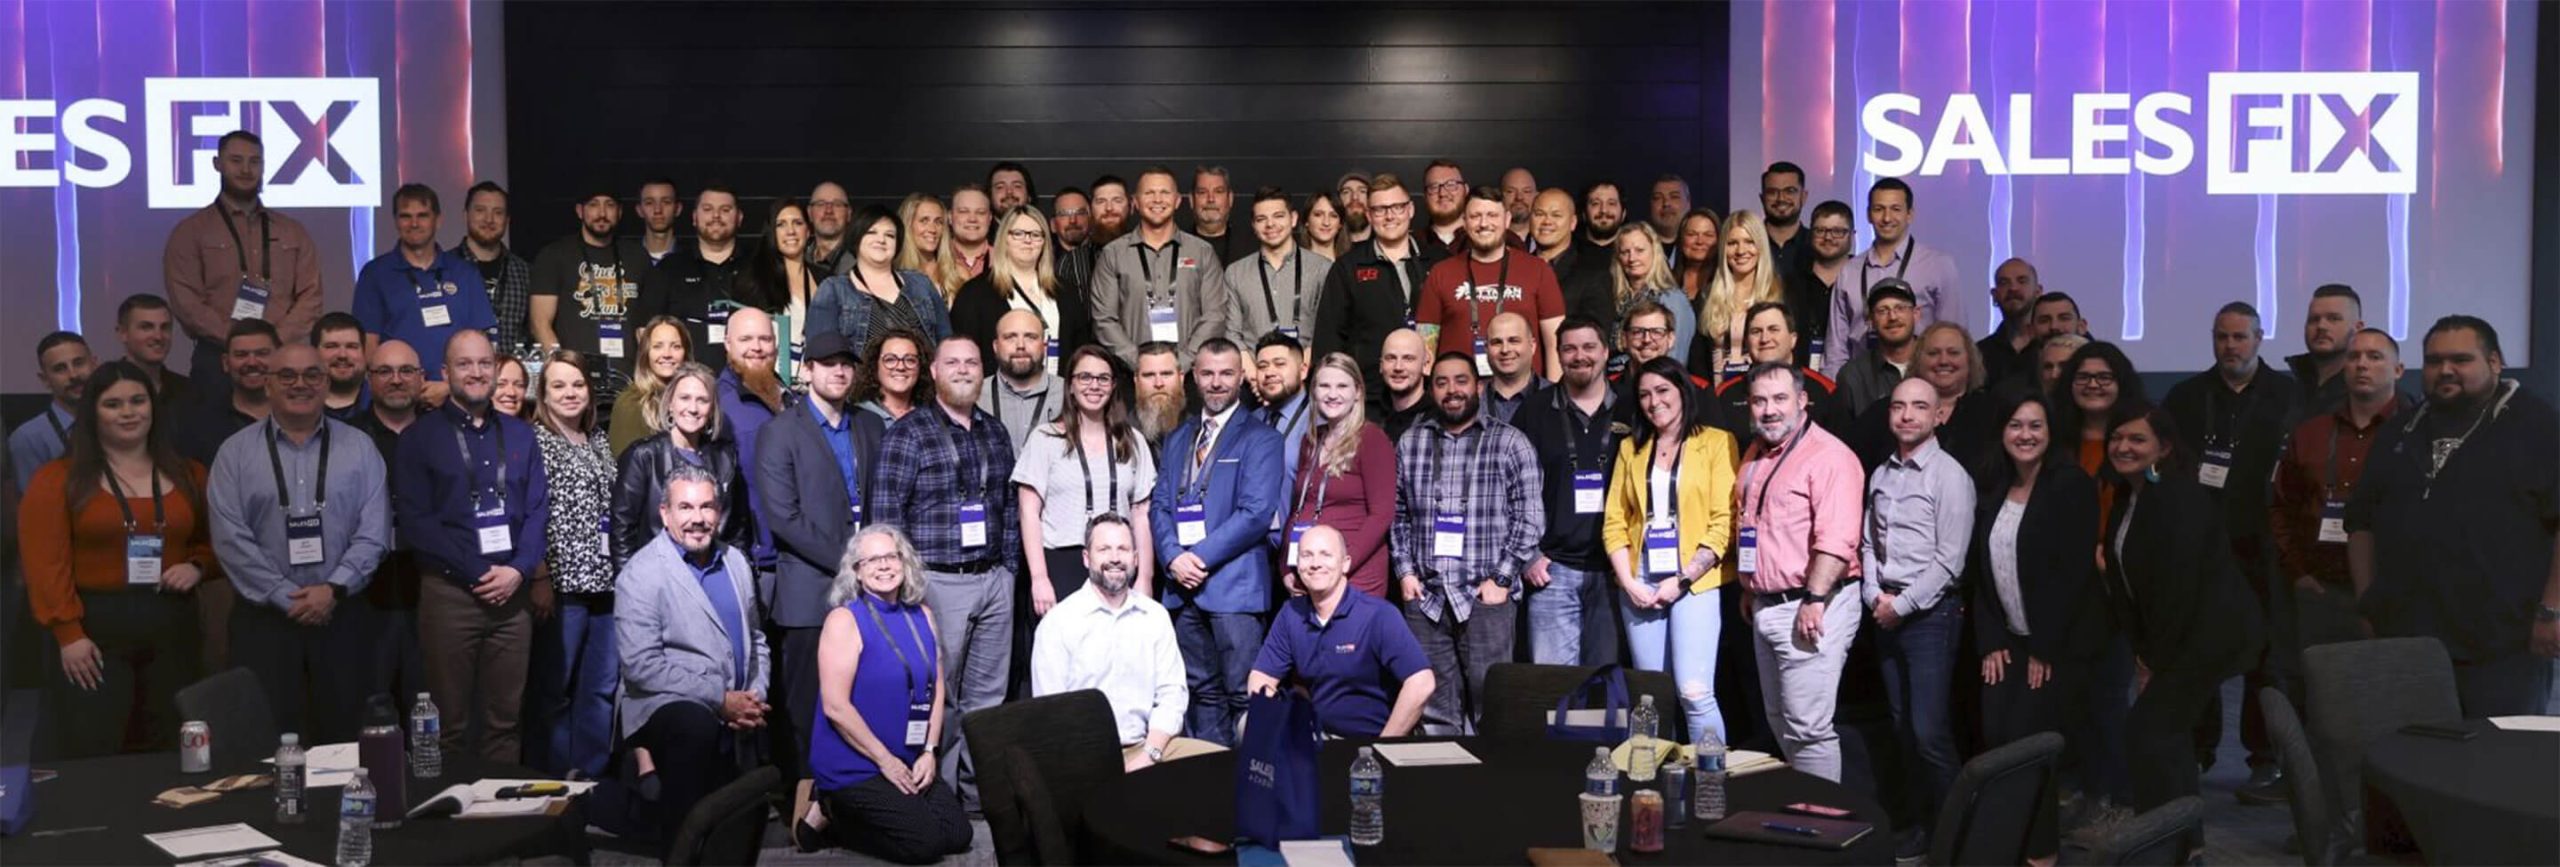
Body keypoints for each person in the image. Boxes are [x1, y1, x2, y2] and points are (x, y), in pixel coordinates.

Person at [2350, 316, 2558, 717]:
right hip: (2409, 641)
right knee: (2412, 748)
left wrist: (2552, 610)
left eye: (2461, 359)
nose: (2445, 370)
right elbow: (2361, 522)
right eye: (2434, 361)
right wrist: (2367, 601)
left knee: (2497, 751)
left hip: (2502, 646)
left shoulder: (2536, 425)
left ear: (2495, 362)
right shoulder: (2400, 430)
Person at [21, 363, 213, 757]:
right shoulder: (58, 479)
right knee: (95, 744)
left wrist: (197, 566)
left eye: (138, 401)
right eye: (113, 404)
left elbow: (216, 543)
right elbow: (45, 564)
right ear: (92, 412)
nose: (128, 412)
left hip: (172, 624)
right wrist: (68, 634)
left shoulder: (189, 474)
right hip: (93, 631)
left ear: (153, 407)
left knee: (168, 745)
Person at [207, 342, 389, 744]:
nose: (300, 384)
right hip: (265, 622)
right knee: (266, 742)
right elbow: (230, 540)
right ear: (268, 385)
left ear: (326, 383)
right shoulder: (234, 454)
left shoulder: (361, 448)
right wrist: (284, 596)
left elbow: (373, 532)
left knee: (344, 742)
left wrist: (333, 589)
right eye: (287, 375)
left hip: (342, 615)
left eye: (312, 375)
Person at [873, 336, 1019, 804]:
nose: (963, 370)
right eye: (952, 362)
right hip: (937, 582)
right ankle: (942, 795)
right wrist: (905, 589)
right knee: (941, 694)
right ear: (934, 371)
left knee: (987, 699)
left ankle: (977, 796)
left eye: (971, 362)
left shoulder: (995, 431)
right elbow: (887, 518)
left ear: (983, 370)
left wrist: (1008, 571)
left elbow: (1009, 506)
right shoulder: (908, 433)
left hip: (993, 580)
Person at [393, 329, 551, 762]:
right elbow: (417, 522)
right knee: (449, 725)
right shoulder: (418, 439)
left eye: (485, 363)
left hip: (512, 597)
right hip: (450, 594)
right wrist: (478, 572)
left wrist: (518, 570)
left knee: (506, 722)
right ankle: (448, 805)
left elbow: (538, 510)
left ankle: (499, 804)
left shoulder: (521, 435)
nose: (477, 372)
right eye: (465, 364)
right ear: (445, 372)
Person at [2161, 301, 2300, 792]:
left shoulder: (2289, 395)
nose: (2230, 346)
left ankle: (2264, 757)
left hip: (2263, 548)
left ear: (2259, 339)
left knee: (2264, 656)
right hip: (2201, 549)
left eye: (2240, 337)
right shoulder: (2186, 396)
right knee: (2200, 652)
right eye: (2222, 336)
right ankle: (2198, 751)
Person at [2101, 403, 2264, 810]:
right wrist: (2143, 654)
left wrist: (2154, 662)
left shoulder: (2179, 498)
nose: (2123, 446)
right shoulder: (2127, 496)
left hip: (2206, 638)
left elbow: (2180, 589)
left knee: (2151, 732)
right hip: (2172, 639)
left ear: (2164, 448)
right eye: (2116, 437)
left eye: (2137, 439)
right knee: (2161, 737)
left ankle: (2170, 833)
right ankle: (2175, 836)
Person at [602, 464, 771, 845]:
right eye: (686, 507)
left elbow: (757, 638)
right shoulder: (641, 574)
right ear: (665, 513)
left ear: (719, 512)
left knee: (734, 817)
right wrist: (720, 700)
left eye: (706, 507)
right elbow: (642, 667)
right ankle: (675, 845)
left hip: (732, 699)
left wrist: (754, 696)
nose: (698, 518)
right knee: (694, 727)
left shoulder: (736, 562)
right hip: (665, 703)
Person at [1967, 392, 2100, 866]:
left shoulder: (2070, 485)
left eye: (2035, 426)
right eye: (2016, 425)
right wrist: (1990, 640)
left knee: (2030, 747)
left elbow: (2073, 576)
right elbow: (1980, 572)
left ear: (2050, 432)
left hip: (2054, 645)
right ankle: (2010, 844)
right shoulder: (1995, 485)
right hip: (2007, 640)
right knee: (1997, 738)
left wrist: (2045, 648)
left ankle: (2041, 854)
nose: (2025, 435)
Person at [793, 524, 973, 861]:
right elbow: (835, 707)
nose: (884, 565)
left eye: (891, 556)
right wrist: (885, 761)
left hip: (908, 757)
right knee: (926, 845)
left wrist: (929, 752)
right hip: (857, 763)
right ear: (857, 571)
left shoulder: (922, 615)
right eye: (872, 560)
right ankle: (831, 807)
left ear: (904, 563)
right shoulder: (845, 620)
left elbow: (936, 689)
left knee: (958, 834)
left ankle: (868, 808)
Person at [759, 330, 890, 787]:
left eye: (846, 364)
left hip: (869, 595)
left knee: (864, 702)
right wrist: (855, 563)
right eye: (828, 363)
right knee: (806, 708)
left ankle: (856, 798)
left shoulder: (870, 426)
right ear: (808, 369)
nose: (839, 371)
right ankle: (804, 802)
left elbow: (881, 502)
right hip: (809, 595)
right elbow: (784, 518)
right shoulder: (779, 432)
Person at [1392, 352, 1542, 733]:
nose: (1452, 390)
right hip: (1427, 599)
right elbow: (1397, 513)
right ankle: (1445, 773)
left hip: (1485, 596)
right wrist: (1405, 572)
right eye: (1441, 383)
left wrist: (1502, 579)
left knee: (1491, 709)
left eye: (1461, 381)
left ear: (1479, 386)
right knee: (1434, 713)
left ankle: (1493, 773)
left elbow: (1530, 518)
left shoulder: (1511, 442)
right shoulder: (1411, 442)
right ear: (1431, 390)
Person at [1860, 377, 1978, 859]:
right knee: (1903, 728)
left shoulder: (1950, 476)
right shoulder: (1881, 473)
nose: (1907, 415)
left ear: (1938, 416)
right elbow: (1869, 543)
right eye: (1899, 406)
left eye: (1919, 407)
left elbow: (1951, 561)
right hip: (1885, 610)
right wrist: (1873, 595)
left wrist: (1900, 606)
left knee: (1930, 733)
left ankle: (1957, 836)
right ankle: (1919, 828)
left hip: (1930, 616)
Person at [1735, 362, 1867, 782]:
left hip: (1812, 604)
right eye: (1759, 401)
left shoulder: (1830, 456)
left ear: (1803, 401)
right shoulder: (1757, 451)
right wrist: (1751, 587)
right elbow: (1755, 523)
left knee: (1808, 729)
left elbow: (1838, 538)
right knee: (1781, 720)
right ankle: (1803, 808)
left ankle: (1822, 816)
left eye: (1780, 399)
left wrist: (1815, 598)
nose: (1769, 410)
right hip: (1768, 604)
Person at [1150, 338, 1282, 744]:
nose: (1217, 382)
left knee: (1245, 695)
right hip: (1182, 590)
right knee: (1200, 694)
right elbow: (1159, 505)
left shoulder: (1262, 438)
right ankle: (1211, 777)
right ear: (1193, 377)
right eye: (1207, 373)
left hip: (1234, 590)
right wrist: (1172, 557)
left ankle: (1253, 778)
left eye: (1226, 373)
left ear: (1241, 377)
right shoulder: (1178, 436)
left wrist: (1197, 558)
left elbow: (1256, 513)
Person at [1602, 356, 1738, 745]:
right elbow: (1614, 521)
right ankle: (1660, 774)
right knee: (1653, 697)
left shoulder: (1716, 442)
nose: (1653, 401)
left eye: (1662, 390)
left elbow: (1723, 522)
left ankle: (1710, 774)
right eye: (1644, 394)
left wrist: (1682, 579)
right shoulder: (1631, 448)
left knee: (1694, 693)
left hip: (1694, 581)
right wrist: (1629, 582)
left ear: (1682, 391)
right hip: (1640, 581)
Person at [1031, 513, 1219, 769]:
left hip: (1148, 747)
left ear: (1136, 558)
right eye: (1104, 549)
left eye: (1123, 549)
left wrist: (1149, 755)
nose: (1115, 558)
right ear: (1086, 558)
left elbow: (1172, 695)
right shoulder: (1058, 623)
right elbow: (1050, 713)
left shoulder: (1155, 616)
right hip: (1083, 756)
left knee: (1219, 764)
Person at [2270, 329, 2410, 653]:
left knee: (2394, 681)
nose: (2362, 364)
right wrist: (2298, 572)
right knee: (2321, 683)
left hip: (2398, 594)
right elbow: (2280, 506)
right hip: (2322, 592)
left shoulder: (2417, 432)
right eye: (2354, 357)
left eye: (2374, 357)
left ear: (2398, 370)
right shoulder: (2310, 433)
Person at [1247, 524, 1435, 738]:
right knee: (1249, 724)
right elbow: (1260, 678)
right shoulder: (1291, 613)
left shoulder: (1378, 615)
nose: (1315, 564)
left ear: (1345, 563)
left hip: (1368, 742)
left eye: (1325, 554)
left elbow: (1422, 683)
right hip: (1316, 737)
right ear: (1297, 563)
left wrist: (1384, 745)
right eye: (1307, 555)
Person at [161, 130, 322, 378]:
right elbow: (187, 303)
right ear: (217, 164)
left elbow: (311, 297)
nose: (246, 170)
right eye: (236, 161)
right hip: (217, 358)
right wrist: (240, 343)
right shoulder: (190, 232)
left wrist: (273, 341)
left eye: (254, 161)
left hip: (282, 355)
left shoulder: (293, 231)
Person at [524, 350, 618, 777]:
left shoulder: (597, 439)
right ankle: (553, 782)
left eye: (578, 384)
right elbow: (530, 514)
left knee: (599, 689)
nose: (570, 393)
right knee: (554, 691)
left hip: (606, 583)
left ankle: (590, 780)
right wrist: (540, 575)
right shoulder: (535, 441)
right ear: (543, 394)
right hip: (562, 585)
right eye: (558, 385)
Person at [1510, 318, 1622, 665]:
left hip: (1616, 573)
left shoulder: (1632, 406)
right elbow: (1509, 488)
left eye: (1589, 347)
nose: (1579, 356)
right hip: (1552, 572)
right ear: (1557, 354)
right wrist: (1528, 554)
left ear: (1606, 352)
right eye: (1569, 349)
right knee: (1554, 686)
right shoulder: (1534, 410)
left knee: (1605, 685)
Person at [1015, 346, 1159, 611]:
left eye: (1103, 378)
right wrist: (1039, 578)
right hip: (1061, 563)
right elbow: (1028, 512)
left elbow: (1141, 514)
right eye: (1085, 377)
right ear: (1070, 385)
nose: (1094, 385)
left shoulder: (1132, 440)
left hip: (1117, 562)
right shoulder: (1045, 439)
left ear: (1113, 386)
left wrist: (1145, 578)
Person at [354, 183, 496, 402]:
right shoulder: (375, 274)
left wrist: (449, 387)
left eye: (422, 215)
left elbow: (482, 343)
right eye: (405, 216)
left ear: (438, 220)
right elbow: (369, 345)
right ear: (395, 221)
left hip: (458, 397)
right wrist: (401, 388)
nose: (414, 223)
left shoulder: (464, 272)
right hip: (397, 397)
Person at [1310, 174, 1447, 395]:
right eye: (1380, 210)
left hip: (1432, 391)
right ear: (1369, 215)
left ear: (1411, 210)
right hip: (1370, 394)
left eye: (1397, 207)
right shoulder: (1348, 267)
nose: (1390, 216)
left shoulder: (1439, 261)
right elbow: (1329, 338)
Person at [1416, 187, 1566, 381]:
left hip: (1526, 394)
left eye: (1492, 215)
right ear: (1464, 222)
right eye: (1475, 216)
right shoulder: (1440, 273)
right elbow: (1425, 347)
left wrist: (1554, 393)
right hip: (1457, 393)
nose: (1484, 223)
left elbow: (1555, 342)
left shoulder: (1538, 270)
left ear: (1507, 220)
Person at [1091, 167, 1232, 366]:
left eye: (1165, 192)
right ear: (1135, 202)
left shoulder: (1202, 252)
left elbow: (1215, 315)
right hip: (1131, 374)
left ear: (1177, 201)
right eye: (1149, 193)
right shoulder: (1112, 254)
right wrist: (1140, 363)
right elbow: (1104, 320)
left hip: (1189, 373)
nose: (1157, 200)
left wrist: (1183, 362)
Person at [614, 362, 752, 564]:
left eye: (702, 400)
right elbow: (621, 532)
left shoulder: (726, 457)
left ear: (712, 408)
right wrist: (631, 580)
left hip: (714, 569)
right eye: (684, 398)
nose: (693, 408)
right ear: (670, 403)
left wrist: (741, 571)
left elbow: (738, 529)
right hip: (659, 573)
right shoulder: (643, 456)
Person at [354, 340, 430, 708]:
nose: (396, 379)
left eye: (406, 371)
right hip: (366, 595)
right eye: (384, 371)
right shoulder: (348, 438)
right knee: (370, 705)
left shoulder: (442, 433)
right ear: (369, 379)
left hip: (432, 589)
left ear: (422, 378)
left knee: (430, 704)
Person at [1285, 353, 1398, 600]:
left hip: (1354, 574)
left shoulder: (1372, 439)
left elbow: (1382, 515)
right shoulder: (1310, 440)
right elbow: (1300, 507)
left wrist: (1344, 563)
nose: (1332, 394)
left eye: (1342, 386)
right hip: (1312, 571)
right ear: (1314, 392)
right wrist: (1287, 565)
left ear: (1358, 392)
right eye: (1324, 386)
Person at [1828, 179, 1964, 375]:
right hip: (1862, 379)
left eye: (1896, 209)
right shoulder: (1849, 270)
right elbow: (1836, 347)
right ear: (1868, 215)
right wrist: (1835, 386)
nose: (1887, 218)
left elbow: (1954, 335)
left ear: (1910, 214)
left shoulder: (1938, 265)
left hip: (1920, 377)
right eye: (1879, 209)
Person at [1848, 321, 1998, 473]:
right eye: (1933, 353)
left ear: (1970, 360)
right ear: (1918, 360)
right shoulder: (1885, 411)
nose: (1943, 361)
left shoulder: (1992, 411)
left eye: (1953, 353)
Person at [812, 204, 955, 362]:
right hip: (860, 378)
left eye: (889, 235)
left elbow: (947, 346)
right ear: (856, 238)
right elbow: (821, 356)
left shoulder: (921, 284)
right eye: (872, 232)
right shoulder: (834, 289)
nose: (881, 240)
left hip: (923, 376)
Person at [630, 184, 751, 369]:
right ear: (694, 217)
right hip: (682, 382)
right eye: (707, 209)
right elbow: (644, 332)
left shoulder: (757, 267)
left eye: (725, 210)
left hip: (747, 380)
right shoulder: (668, 268)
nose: (716, 216)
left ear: (739, 217)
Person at [953, 206, 1083, 377]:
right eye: (1018, 233)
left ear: (1045, 242)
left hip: (1058, 389)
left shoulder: (1065, 291)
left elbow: (1080, 349)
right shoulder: (975, 293)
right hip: (997, 391)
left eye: (1035, 235)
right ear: (1004, 239)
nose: (1027, 240)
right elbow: (965, 354)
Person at [532, 188, 649, 365]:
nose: (602, 213)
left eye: (609, 205)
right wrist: (562, 367)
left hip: (629, 373)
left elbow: (648, 323)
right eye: (593, 205)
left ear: (619, 212)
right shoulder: (554, 255)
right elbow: (539, 323)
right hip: (575, 372)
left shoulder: (637, 256)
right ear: (580, 211)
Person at [717, 308, 791, 570]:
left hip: (794, 553)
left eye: (765, 339)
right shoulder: (718, 404)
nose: (757, 347)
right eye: (746, 339)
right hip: (755, 558)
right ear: (728, 344)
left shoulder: (789, 397)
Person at [1715, 302, 1838, 439]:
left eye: (1773, 330)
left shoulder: (1824, 391)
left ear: (1793, 339)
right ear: (1746, 342)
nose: (1764, 339)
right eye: (1756, 332)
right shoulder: (1725, 395)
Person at [1224, 187, 1329, 345]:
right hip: (1252, 359)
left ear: (1293, 219)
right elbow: (1232, 334)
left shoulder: (1322, 268)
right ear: (1253, 225)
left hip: (1309, 359)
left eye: (1278, 216)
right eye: (1261, 219)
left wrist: (1305, 360)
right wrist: (1252, 362)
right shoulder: (1236, 273)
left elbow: (1327, 329)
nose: (1270, 224)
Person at [174, 319, 278, 468]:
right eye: (241, 355)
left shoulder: (302, 417)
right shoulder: (198, 425)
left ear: (281, 358)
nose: (252, 362)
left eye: (262, 353)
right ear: (225, 363)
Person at [976, 310, 1069, 453]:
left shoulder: (1069, 394)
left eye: (1030, 337)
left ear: (1044, 346)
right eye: (1010, 337)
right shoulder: (976, 396)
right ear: (995, 346)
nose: (1020, 345)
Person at [1703, 211, 1783, 376]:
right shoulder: (1708, 295)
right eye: (1732, 243)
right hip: (1718, 389)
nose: (1741, 250)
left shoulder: (1780, 294)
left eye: (1749, 242)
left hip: (1765, 386)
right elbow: (1699, 359)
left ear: (1761, 246)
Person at [458, 182, 534, 352]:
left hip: (512, 367)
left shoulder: (525, 272)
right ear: (465, 215)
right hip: (462, 367)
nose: (489, 219)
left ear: (507, 220)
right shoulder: (443, 270)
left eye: (498, 212)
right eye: (480, 210)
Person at [12, 332, 93, 490]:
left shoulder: (117, 423)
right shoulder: (28, 438)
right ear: (45, 379)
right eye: (60, 369)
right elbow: (34, 500)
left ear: (95, 364)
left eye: (79, 363)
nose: (73, 375)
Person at [745, 198, 819, 367]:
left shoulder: (826, 279)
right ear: (772, 232)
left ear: (808, 231)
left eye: (797, 223)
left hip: (817, 376)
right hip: (768, 376)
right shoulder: (754, 281)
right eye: (781, 225)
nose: (790, 231)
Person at [1607, 224, 1696, 363]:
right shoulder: (1617, 298)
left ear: (1654, 252)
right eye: (1625, 252)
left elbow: (1675, 359)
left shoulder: (1672, 299)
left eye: (1640, 250)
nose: (1632, 258)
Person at [1784, 200, 1855, 371]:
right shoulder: (1790, 283)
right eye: (1820, 230)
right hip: (1800, 374)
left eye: (1837, 231)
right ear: (1810, 234)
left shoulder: (1863, 278)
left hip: (1853, 376)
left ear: (1852, 235)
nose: (1828, 237)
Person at [608, 316, 695, 456]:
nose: (667, 354)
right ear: (646, 353)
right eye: (657, 346)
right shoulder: (630, 403)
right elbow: (626, 463)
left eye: (676, 346)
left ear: (685, 353)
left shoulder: (696, 400)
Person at [1834, 281, 1920, 417]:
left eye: (1900, 308)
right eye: (1882, 311)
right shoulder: (1853, 376)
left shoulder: (1938, 366)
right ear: (1871, 320)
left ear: (1916, 314)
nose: (1892, 317)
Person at [2283, 284, 2365, 418]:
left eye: (2333, 318)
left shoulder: (2369, 393)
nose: (2321, 326)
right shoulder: (2286, 388)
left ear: (2358, 328)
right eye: (2314, 319)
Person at [1252, 333, 1315, 484]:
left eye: (1280, 364)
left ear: (1303, 371)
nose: (1269, 373)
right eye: (1262, 366)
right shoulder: (1252, 420)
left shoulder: (1319, 420)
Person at [114, 294, 193, 407]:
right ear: (122, 333)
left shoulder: (190, 392)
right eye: (146, 327)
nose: (158, 336)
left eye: (164, 327)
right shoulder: (105, 389)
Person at [1978, 258, 2045, 386]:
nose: (2013, 288)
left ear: (2038, 291)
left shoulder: (2051, 346)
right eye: (2004, 282)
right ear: (1994, 295)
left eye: (2022, 281)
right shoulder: (1980, 353)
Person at [1478, 311, 1547, 423]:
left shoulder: (1557, 397)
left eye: (1514, 341)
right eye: (1497, 342)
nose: (1505, 350)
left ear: (1532, 346)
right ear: (1486, 349)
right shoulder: (1471, 400)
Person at [894, 193, 958, 302]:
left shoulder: (957, 275)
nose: (932, 229)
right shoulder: (892, 275)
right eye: (924, 221)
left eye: (938, 222)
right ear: (908, 224)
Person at [855, 328, 928, 423]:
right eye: (890, 360)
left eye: (910, 360)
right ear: (875, 365)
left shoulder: (932, 415)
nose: (901, 367)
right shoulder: (858, 416)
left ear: (920, 366)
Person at [1374, 328, 1433, 441]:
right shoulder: (1369, 419)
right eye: (1391, 358)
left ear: (1425, 365)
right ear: (1381, 365)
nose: (1398, 367)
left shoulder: (1438, 422)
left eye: (1408, 359)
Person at [1187, 166, 1252, 266]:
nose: (1211, 199)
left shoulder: (1252, 247)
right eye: (1202, 192)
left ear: (1230, 199)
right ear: (1191, 200)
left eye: (1218, 191)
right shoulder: (1175, 246)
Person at [313, 313, 370, 421]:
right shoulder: (295, 407)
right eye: (331, 346)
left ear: (364, 353)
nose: (342, 355)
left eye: (351, 347)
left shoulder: (383, 405)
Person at [940, 185, 996, 289]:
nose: (972, 219)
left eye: (980, 212)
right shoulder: (935, 259)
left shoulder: (1004, 260)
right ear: (950, 217)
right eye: (963, 211)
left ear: (990, 218)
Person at [1132, 341, 1186, 446]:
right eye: (1149, 375)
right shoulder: (1121, 434)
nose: (1158, 383)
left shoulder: (1200, 430)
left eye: (1166, 374)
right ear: (1136, 380)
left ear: (1181, 378)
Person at [1759, 162, 1812, 270]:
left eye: (1790, 191)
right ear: (1762, 198)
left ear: (1803, 197)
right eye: (1772, 192)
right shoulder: (1748, 243)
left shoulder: (1817, 245)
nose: (1781, 198)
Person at [1050, 187, 1099, 300]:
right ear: (1053, 225)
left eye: (1080, 213)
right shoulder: (1041, 262)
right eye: (1064, 214)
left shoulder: (1106, 257)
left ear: (1091, 219)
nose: (1073, 220)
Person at [1670, 207, 1720, 316]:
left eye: (1708, 235)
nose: (1700, 241)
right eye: (1691, 234)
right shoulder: (1665, 282)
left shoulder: (1727, 283)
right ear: (1681, 239)